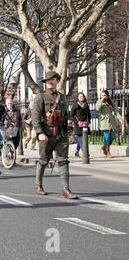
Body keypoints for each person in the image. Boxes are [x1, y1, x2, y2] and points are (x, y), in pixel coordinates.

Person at [32, 70, 77, 199]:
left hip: (60, 133)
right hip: (46, 133)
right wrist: (39, 132)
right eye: (47, 80)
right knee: (43, 160)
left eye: (53, 79)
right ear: (45, 83)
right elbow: (35, 117)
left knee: (63, 160)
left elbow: (64, 114)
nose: (50, 82)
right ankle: (38, 184)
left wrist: (68, 122)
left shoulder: (61, 97)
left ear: (57, 81)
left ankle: (65, 189)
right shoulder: (41, 96)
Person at [96, 90, 123, 158]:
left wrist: (120, 119)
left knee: (113, 136)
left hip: (112, 121)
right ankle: (108, 152)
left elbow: (116, 111)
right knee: (107, 137)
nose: (103, 96)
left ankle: (104, 147)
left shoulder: (111, 102)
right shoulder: (100, 102)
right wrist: (101, 100)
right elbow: (97, 108)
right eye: (102, 95)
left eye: (104, 95)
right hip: (104, 122)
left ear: (107, 95)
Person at [69, 92, 91, 157]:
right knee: (81, 137)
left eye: (83, 96)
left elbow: (89, 114)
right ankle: (84, 152)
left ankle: (76, 152)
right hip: (78, 124)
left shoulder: (86, 105)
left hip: (85, 124)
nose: (82, 97)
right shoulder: (75, 105)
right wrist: (76, 122)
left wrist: (89, 121)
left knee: (80, 138)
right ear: (77, 98)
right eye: (80, 96)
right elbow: (71, 116)